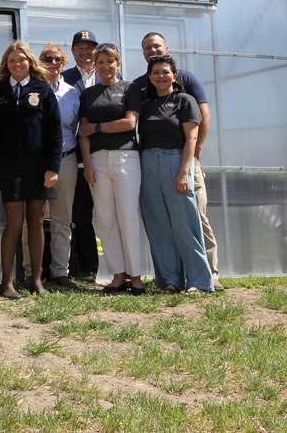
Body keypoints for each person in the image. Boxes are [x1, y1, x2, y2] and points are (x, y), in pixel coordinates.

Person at [133, 32, 223, 289]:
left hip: (177, 160)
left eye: (165, 72)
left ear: (174, 74)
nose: (160, 76)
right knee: (158, 224)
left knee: (186, 223)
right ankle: (170, 280)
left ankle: (199, 279)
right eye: (155, 73)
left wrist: (184, 171)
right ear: (149, 77)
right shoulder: (147, 104)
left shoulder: (185, 101)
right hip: (149, 163)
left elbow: (191, 140)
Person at [0, 41, 62, 297]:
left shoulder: (42, 90)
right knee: (14, 222)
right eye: (12, 61)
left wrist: (52, 167)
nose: (17, 64)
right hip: (9, 165)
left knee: (35, 221)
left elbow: (55, 132)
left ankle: (36, 279)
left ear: (29, 62)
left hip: (38, 165)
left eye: (21, 60)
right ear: (6, 65)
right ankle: (7, 282)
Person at [77, 42, 145, 295]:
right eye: (101, 62)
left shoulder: (130, 88)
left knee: (128, 216)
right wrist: (87, 164)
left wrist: (98, 128)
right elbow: (82, 132)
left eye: (110, 61)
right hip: (97, 161)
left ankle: (135, 276)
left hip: (126, 158)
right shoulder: (88, 94)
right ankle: (117, 275)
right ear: (95, 65)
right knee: (105, 219)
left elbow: (129, 123)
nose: (106, 66)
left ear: (118, 63)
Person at [40, 44, 81, 289]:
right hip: (38, 161)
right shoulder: (33, 90)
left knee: (62, 218)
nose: (53, 63)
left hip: (66, 159)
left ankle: (60, 271)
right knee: (31, 219)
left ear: (64, 63)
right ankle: (30, 271)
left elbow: (77, 126)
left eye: (57, 59)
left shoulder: (73, 93)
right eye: (48, 59)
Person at [63, 30, 100, 283]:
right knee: (81, 213)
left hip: (107, 150)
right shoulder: (65, 78)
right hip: (75, 155)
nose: (85, 52)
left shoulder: (110, 75)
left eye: (89, 47)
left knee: (110, 212)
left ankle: (124, 268)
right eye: (80, 47)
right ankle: (86, 267)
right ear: (73, 51)